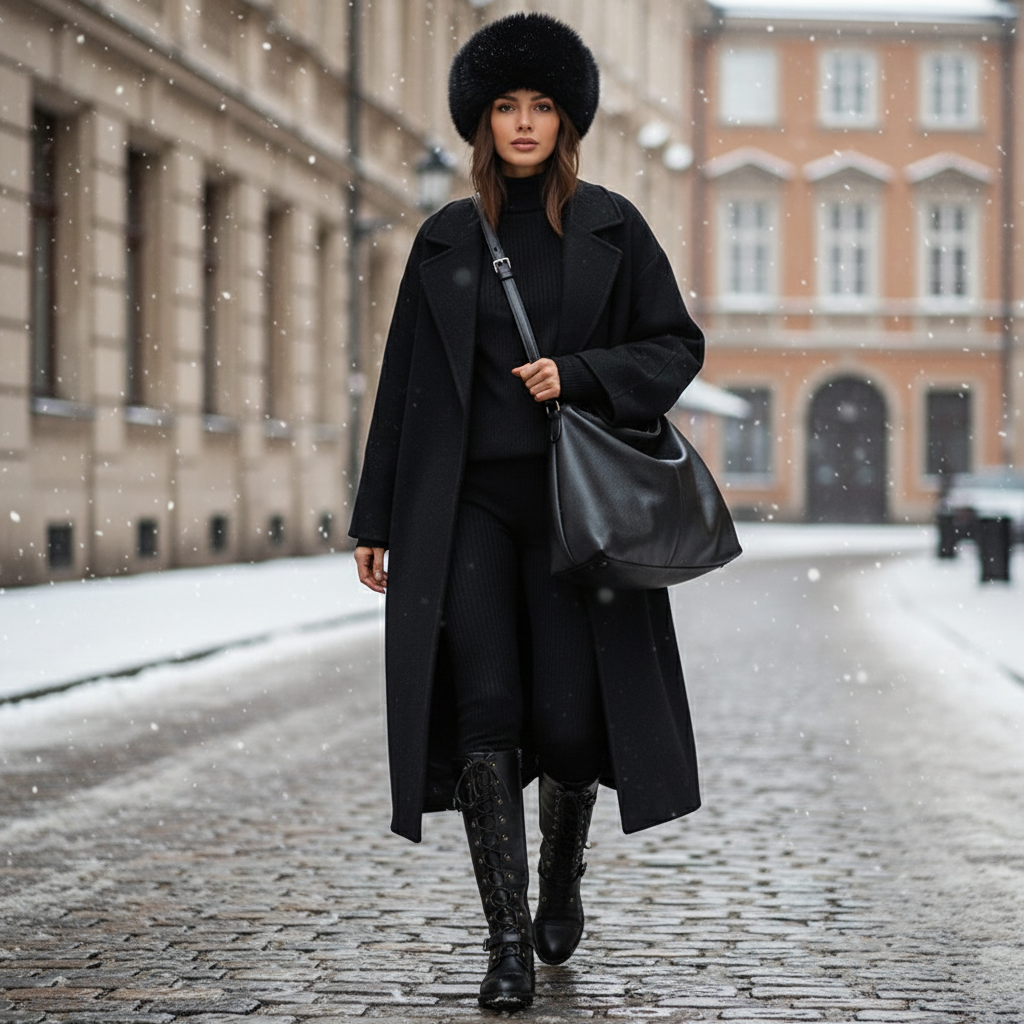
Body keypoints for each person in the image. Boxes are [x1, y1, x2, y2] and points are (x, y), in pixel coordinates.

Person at [349, 12, 705, 1011]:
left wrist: (582, 374)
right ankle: (504, 937)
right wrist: (376, 517)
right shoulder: (445, 237)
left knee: (565, 717)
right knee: (487, 713)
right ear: (480, 121)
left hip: (572, 508)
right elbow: (405, 385)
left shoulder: (611, 226)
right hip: (465, 505)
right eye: (504, 106)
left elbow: (674, 349)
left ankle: (559, 878)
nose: (520, 123)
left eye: (538, 105)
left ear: (564, 120)